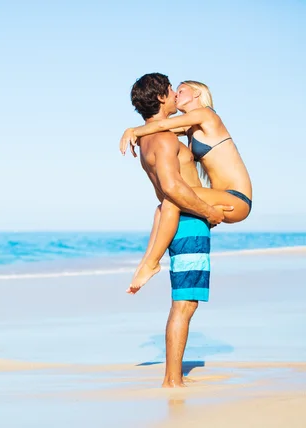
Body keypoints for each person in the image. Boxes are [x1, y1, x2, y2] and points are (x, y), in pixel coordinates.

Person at [125, 73, 232, 387]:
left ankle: (173, 377)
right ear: (160, 98)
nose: (175, 95)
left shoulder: (149, 138)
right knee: (185, 304)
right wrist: (209, 211)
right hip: (188, 222)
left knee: (183, 303)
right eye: (171, 91)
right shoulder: (165, 139)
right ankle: (173, 381)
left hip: (179, 221)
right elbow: (173, 188)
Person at [121, 80, 252, 294]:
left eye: (180, 90)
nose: (175, 94)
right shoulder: (190, 126)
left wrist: (132, 130)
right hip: (219, 197)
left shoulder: (206, 115)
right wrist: (137, 132)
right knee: (161, 208)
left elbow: (162, 125)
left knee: (172, 197)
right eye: (173, 90)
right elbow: (160, 129)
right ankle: (146, 263)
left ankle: (153, 262)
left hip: (237, 197)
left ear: (197, 94)